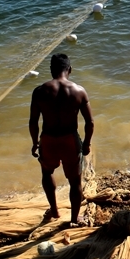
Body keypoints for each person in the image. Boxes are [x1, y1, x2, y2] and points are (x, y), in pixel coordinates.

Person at [29, 53, 94, 226]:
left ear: (51, 70)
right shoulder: (79, 91)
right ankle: (74, 218)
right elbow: (90, 122)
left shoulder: (40, 91)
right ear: (70, 69)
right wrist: (87, 143)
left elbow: (33, 121)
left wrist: (35, 142)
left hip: (48, 139)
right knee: (75, 181)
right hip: (69, 141)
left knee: (47, 173)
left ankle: (55, 211)